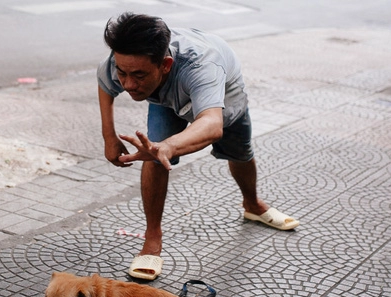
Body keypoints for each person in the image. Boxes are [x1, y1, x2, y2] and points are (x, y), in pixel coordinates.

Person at [97, 13, 299, 280]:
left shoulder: (201, 66)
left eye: (138, 75)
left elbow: (213, 124)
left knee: (240, 153)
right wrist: (108, 136)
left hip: (223, 96)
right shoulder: (122, 59)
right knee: (154, 156)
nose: (128, 84)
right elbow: (104, 85)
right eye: (122, 73)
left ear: (165, 64)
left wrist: (168, 146)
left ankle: (253, 205)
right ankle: (152, 239)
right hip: (165, 97)